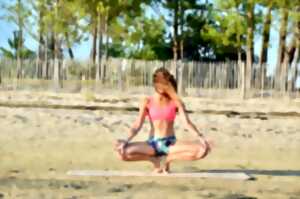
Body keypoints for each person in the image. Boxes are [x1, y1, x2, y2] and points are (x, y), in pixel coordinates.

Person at [115, 67, 211, 173]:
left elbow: (187, 123)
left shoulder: (176, 101)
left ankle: (167, 160)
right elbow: (137, 124)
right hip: (152, 144)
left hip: (170, 144)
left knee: (202, 151)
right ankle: (154, 161)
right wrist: (125, 140)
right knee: (121, 152)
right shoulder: (147, 101)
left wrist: (201, 138)